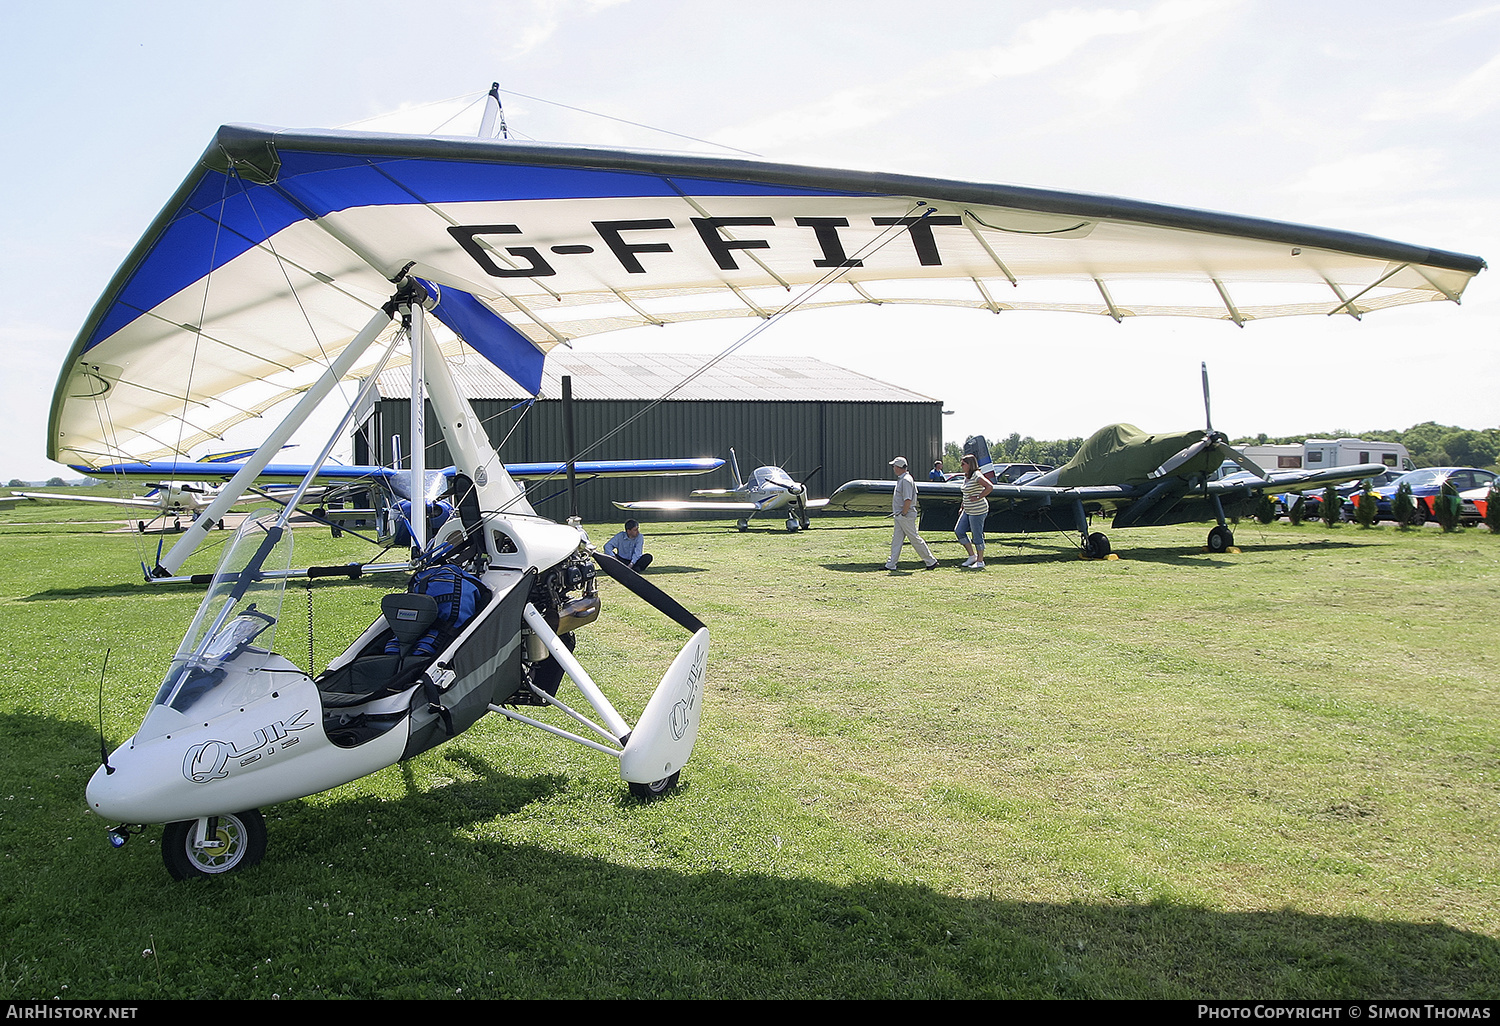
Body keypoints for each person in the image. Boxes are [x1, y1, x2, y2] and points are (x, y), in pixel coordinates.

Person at [886, 456, 938, 571]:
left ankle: (931, 561)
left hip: (905, 515)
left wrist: (903, 513)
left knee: (914, 538)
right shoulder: (904, 479)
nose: (893, 468)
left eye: (894, 466)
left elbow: (908, 499)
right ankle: (890, 564)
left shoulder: (905, 480)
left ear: (899, 467)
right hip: (901, 515)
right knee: (897, 539)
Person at [955, 453, 994, 569]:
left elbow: (989, 487)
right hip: (967, 509)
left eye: (963, 464)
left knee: (977, 536)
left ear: (970, 464)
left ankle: (980, 561)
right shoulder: (966, 476)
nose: (961, 466)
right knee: (959, 531)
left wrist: (978, 497)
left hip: (978, 510)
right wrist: (962, 506)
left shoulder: (977, 475)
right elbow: (966, 493)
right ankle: (972, 556)